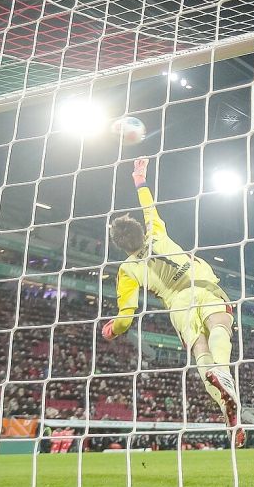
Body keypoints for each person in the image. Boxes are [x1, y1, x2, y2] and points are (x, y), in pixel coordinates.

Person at [103, 158, 244, 448]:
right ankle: (225, 374)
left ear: (120, 245)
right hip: (201, 284)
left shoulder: (126, 270)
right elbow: (148, 205)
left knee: (200, 349)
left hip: (178, 305)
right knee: (220, 326)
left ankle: (228, 407)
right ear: (140, 232)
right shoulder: (155, 231)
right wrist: (139, 179)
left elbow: (126, 319)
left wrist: (112, 330)